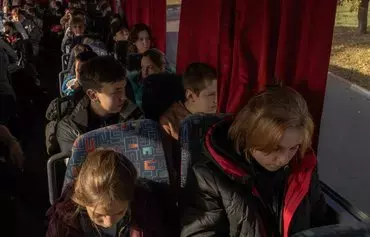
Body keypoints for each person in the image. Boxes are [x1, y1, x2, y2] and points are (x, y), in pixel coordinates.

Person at [180, 87, 331, 237]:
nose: (284, 159)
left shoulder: (303, 167)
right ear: (249, 138)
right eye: (275, 149)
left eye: (293, 148)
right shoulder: (208, 176)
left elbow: (322, 223)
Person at [46, 149, 172, 237]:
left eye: (120, 212)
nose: (109, 222)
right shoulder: (65, 223)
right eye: (100, 215)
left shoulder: (147, 205)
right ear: (83, 200)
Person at [56, 56, 143, 153]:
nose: (123, 97)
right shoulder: (71, 129)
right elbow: (78, 166)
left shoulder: (135, 116)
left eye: (123, 88)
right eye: (116, 91)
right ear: (93, 95)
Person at [160, 62, 217, 140]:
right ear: (190, 96)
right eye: (211, 95)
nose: (216, 100)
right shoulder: (169, 124)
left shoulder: (215, 117)